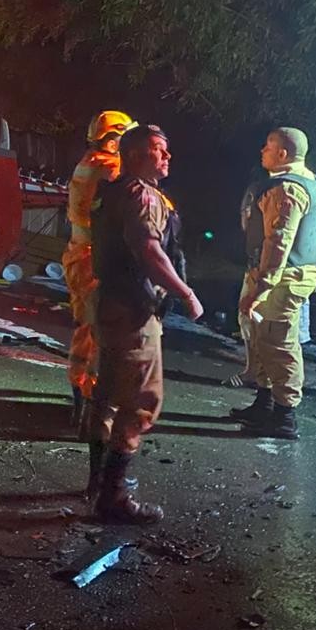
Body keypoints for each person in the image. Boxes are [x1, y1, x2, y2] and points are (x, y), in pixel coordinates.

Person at [89, 125, 204, 523]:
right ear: (137, 155)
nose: (167, 157)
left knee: (107, 393)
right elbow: (148, 249)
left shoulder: (115, 190)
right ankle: (113, 497)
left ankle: (97, 483)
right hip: (134, 310)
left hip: (111, 304)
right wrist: (186, 293)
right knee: (141, 403)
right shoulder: (143, 195)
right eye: (159, 150)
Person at [233, 127, 316, 440]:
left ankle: (285, 417)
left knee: (280, 344)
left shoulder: (287, 189)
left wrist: (261, 288)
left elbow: (279, 242)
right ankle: (264, 405)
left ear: (282, 153)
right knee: (261, 339)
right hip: (281, 278)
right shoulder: (309, 181)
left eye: (268, 146)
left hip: (280, 281)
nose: (262, 150)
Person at [62, 111, 138, 430]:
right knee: (98, 332)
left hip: (79, 253)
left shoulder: (87, 162)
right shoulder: (109, 166)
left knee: (85, 327)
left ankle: (81, 395)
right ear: (112, 139)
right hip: (95, 257)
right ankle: (92, 405)